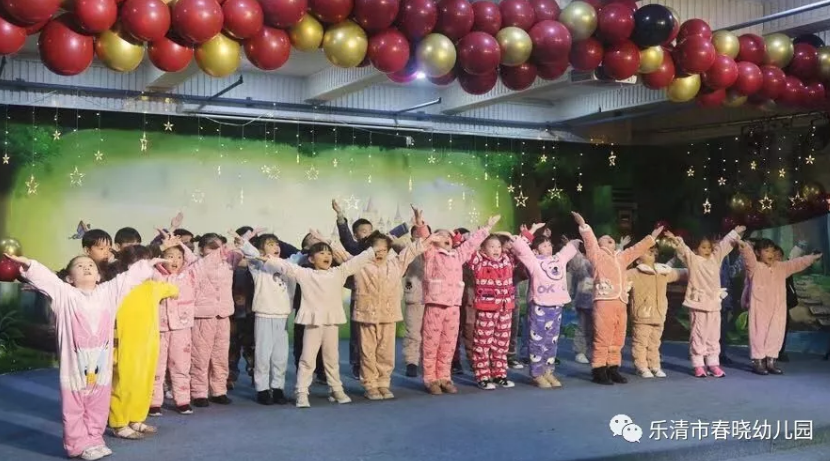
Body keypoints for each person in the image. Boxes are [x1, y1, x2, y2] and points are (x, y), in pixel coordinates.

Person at [6, 252, 166, 460]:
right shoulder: (64, 294)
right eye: (80, 266)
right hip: (74, 372)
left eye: (90, 265)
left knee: (98, 407)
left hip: (101, 369)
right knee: (74, 409)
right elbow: (47, 279)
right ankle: (77, 445)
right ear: (69, 278)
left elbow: (127, 279)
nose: (87, 268)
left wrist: (147, 265)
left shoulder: (108, 292)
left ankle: (95, 440)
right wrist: (30, 264)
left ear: (98, 275)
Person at [254, 235, 375, 408]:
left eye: (329, 253)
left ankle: (336, 389)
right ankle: (302, 392)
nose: (327, 256)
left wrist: (372, 251)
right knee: (307, 358)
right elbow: (286, 266)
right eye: (321, 253)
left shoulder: (338, 272)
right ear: (311, 259)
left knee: (332, 358)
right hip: (313, 322)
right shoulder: (305, 273)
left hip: (331, 322)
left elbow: (355, 262)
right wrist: (269, 259)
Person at [573, 212, 662, 385]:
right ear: (599, 243)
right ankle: (599, 370)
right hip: (604, 301)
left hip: (620, 302)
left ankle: (613, 368)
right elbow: (590, 243)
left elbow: (636, 249)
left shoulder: (621, 257)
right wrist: (583, 225)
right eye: (605, 239)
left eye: (611, 239)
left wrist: (652, 237)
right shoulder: (597, 255)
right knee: (603, 337)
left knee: (618, 338)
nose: (609, 239)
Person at [351, 207, 431, 399]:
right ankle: (370, 384)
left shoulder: (396, 265)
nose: (380, 253)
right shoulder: (360, 265)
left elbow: (413, 249)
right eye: (376, 249)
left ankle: (383, 383)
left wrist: (419, 224)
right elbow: (342, 258)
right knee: (367, 352)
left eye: (384, 250)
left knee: (386, 352)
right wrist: (327, 242)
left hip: (388, 316)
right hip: (366, 316)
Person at [332, 200, 410, 380]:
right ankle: (357, 364)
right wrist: (340, 216)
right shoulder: (357, 248)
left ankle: (378, 369)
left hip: (382, 300)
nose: (366, 233)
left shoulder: (381, 245)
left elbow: (393, 238)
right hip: (361, 296)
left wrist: (409, 226)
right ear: (356, 234)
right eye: (362, 231)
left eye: (369, 230)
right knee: (358, 333)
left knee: (382, 338)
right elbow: (345, 239)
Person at [421, 216, 499, 395]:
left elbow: (470, 244)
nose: (446, 238)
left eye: (448, 236)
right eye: (441, 236)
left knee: (448, 344)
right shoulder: (431, 254)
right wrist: (422, 226)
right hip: (435, 305)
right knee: (431, 343)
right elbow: (424, 241)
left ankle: (444, 377)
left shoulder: (458, 255)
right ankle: (430, 379)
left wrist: (486, 228)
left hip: (454, 306)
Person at [107, 245, 178, 439]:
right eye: (139, 263)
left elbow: (174, 289)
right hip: (125, 345)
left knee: (144, 383)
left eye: (147, 262)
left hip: (148, 345)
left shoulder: (152, 287)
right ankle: (119, 423)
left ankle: (136, 418)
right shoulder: (118, 286)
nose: (145, 267)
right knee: (122, 384)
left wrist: (161, 271)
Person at [151, 232, 223, 417]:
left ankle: (182, 400)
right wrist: (162, 246)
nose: (175, 260)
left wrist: (182, 245)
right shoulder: (154, 274)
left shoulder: (190, 274)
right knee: (156, 367)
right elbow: (142, 262)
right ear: (161, 258)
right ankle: (154, 402)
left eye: (179, 257)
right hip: (158, 329)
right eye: (169, 256)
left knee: (181, 366)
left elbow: (202, 262)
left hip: (181, 329)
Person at [666, 227, 743, 378]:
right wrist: (676, 239)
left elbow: (723, 246)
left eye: (709, 247)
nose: (707, 250)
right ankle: (698, 364)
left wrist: (735, 232)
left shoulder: (715, 259)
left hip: (714, 304)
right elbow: (684, 250)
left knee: (713, 335)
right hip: (698, 304)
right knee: (698, 335)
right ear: (696, 249)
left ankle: (713, 363)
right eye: (703, 247)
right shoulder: (693, 260)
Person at [510, 224, 580, 388]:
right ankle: (537, 373)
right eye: (544, 246)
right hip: (540, 306)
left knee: (551, 341)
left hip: (556, 306)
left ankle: (548, 370)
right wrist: (523, 235)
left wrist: (582, 230)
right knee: (537, 341)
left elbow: (571, 248)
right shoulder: (534, 261)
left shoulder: (558, 259)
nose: (548, 248)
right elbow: (522, 248)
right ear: (536, 250)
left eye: (549, 245)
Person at [739, 239, 820, 375]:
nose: (770, 254)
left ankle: (771, 361)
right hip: (760, 307)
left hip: (778, 309)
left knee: (775, 334)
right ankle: (758, 362)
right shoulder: (755, 267)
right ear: (758, 253)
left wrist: (812, 258)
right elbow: (749, 258)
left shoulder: (781, 267)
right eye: (766, 251)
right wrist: (745, 247)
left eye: (772, 251)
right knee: (759, 334)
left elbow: (796, 263)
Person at [237, 233, 295, 405]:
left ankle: (278, 388)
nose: (276, 247)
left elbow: (301, 254)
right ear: (262, 250)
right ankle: (262, 389)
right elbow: (252, 253)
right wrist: (245, 241)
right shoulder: (258, 267)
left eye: (277, 244)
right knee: (263, 355)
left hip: (282, 317)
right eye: (270, 244)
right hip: (264, 315)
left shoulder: (287, 265)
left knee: (280, 357)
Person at [190, 233, 245, 407]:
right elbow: (205, 265)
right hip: (203, 315)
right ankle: (199, 392)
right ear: (201, 249)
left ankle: (219, 390)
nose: (217, 252)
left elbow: (246, 254)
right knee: (200, 355)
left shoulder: (229, 262)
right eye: (212, 248)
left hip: (223, 314)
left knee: (221, 355)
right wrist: (219, 252)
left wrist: (243, 241)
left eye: (219, 248)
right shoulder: (196, 263)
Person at [627, 246, 687, 378]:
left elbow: (683, 273)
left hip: (659, 314)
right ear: (637, 260)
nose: (650, 253)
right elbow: (618, 278)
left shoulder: (662, 272)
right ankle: (641, 366)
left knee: (654, 342)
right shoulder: (633, 273)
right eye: (645, 251)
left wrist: (690, 262)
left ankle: (654, 365)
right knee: (640, 343)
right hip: (642, 314)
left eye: (652, 251)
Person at [402, 226, 428, 377]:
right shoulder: (407, 250)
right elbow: (395, 243)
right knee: (412, 332)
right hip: (414, 298)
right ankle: (411, 362)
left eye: (422, 234)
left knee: (430, 333)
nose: (419, 238)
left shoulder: (434, 252)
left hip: (434, 298)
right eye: (416, 235)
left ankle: (429, 361)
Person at [568, 247, 594, 365]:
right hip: (584, 301)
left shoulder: (601, 261)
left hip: (599, 301)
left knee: (595, 329)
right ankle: (580, 352)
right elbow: (578, 269)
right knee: (583, 327)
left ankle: (591, 351)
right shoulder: (583, 263)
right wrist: (574, 249)